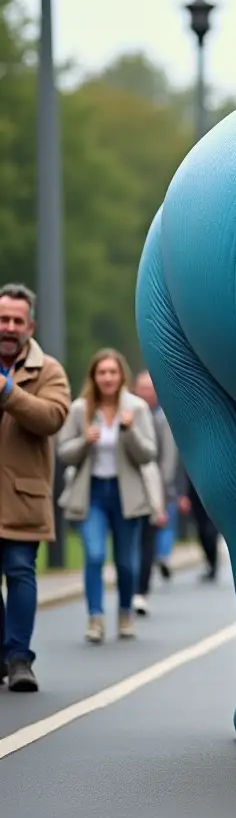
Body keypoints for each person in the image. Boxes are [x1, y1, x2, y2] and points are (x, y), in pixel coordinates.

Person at [56, 349, 159, 643]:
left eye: (112, 372)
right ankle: (96, 618)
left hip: (126, 494)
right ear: (94, 376)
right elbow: (64, 453)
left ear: (121, 375)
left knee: (126, 562)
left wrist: (128, 432)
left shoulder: (136, 409)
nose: (108, 378)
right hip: (93, 494)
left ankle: (125, 613)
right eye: (102, 372)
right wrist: (84, 441)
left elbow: (148, 453)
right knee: (95, 554)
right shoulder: (80, 409)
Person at [0, 283, 71, 692]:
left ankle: (19, 658)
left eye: (16, 320)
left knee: (20, 572)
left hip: (23, 496)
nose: (9, 327)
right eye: (3, 319)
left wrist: (9, 392)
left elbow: (53, 417)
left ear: (30, 325)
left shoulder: (49, 371)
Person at [132, 370, 178, 616]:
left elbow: (168, 459)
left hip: (153, 490)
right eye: (141, 387)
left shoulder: (162, 418)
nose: (144, 392)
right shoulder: (126, 413)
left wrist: (162, 492)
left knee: (147, 541)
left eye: (149, 388)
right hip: (128, 489)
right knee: (130, 542)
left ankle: (141, 591)